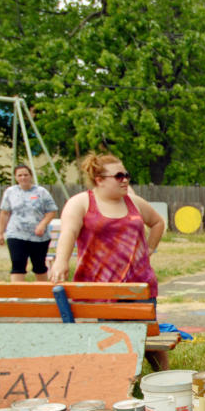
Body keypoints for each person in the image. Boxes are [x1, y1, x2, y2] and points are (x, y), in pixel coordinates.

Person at [50, 153, 167, 369]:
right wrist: (61, 261)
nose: (125, 180)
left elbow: (158, 222)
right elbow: (69, 231)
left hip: (139, 285)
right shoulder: (81, 203)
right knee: (111, 336)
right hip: (102, 287)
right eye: (119, 176)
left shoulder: (134, 202)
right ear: (99, 179)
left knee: (148, 335)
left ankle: (163, 377)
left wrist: (149, 249)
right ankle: (117, 377)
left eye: (127, 175)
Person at [0, 165, 58, 282]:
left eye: (26, 175)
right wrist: (0, 233)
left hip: (38, 237)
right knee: (17, 265)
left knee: (39, 266)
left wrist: (42, 224)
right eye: (20, 175)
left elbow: (52, 211)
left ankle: (42, 294)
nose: (23, 177)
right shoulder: (10, 192)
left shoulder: (41, 192)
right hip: (16, 234)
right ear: (16, 177)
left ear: (30, 176)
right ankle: (18, 295)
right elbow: (4, 213)